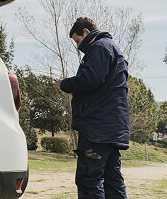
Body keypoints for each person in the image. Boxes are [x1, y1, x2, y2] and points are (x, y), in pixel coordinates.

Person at [55, 17, 130, 199]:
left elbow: (91, 79)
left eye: (77, 41)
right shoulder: (112, 48)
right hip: (112, 128)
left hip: (97, 130)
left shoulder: (99, 47)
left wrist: (64, 84)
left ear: (86, 32)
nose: (78, 47)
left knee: (89, 180)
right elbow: (101, 85)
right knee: (113, 181)